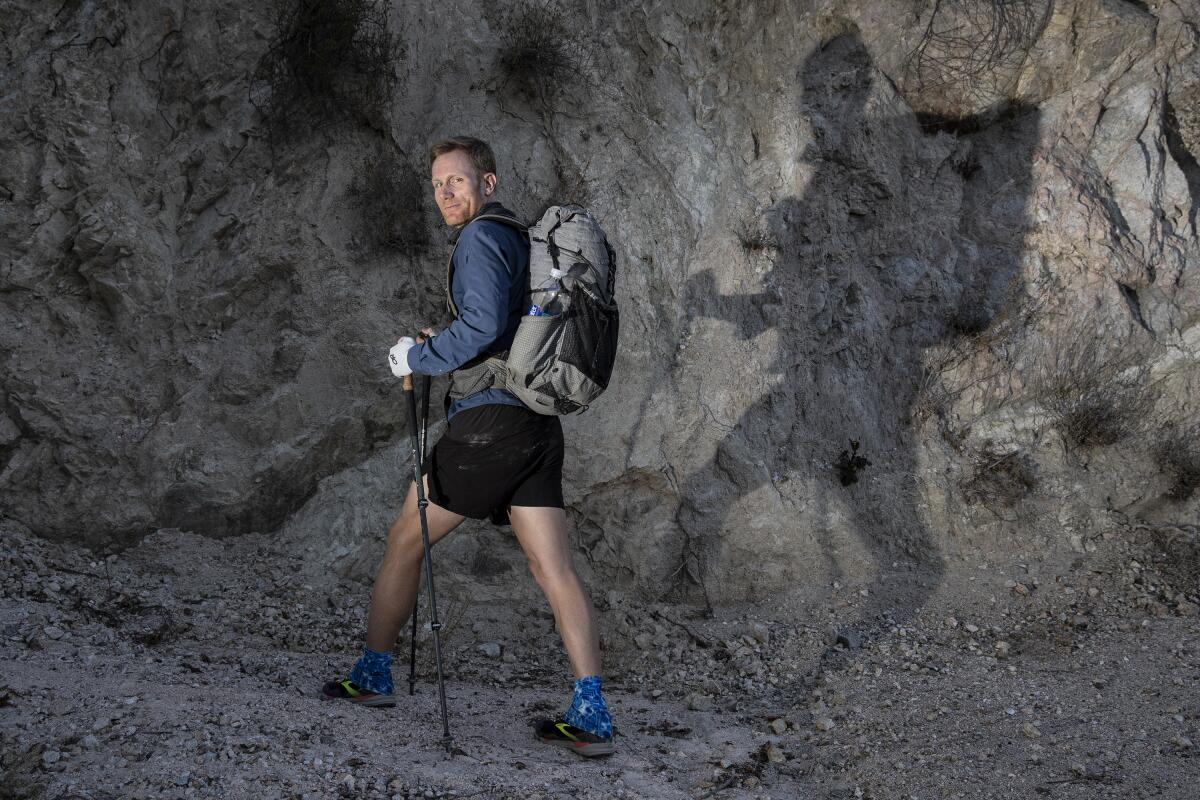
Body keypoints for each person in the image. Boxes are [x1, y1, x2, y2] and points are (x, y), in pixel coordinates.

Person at [321, 136, 614, 757]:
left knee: (405, 538)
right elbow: (500, 325)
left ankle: (373, 674)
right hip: (537, 426)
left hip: (489, 426)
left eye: (456, 180)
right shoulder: (517, 238)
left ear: (489, 182)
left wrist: (419, 356)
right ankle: (592, 711)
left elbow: (481, 328)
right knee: (552, 568)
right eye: (436, 185)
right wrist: (445, 338)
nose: (444, 193)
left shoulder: (481, 239)